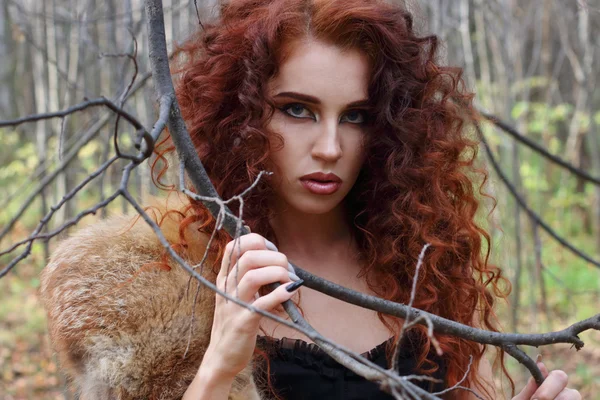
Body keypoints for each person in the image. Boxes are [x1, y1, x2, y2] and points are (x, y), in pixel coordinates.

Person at [39, 0, 581, 399]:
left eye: (356, 116)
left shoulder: (417, 261)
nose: (329, 148)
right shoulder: (158, 284)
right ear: (242, 113)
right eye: (297, 109)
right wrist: (218, 367)